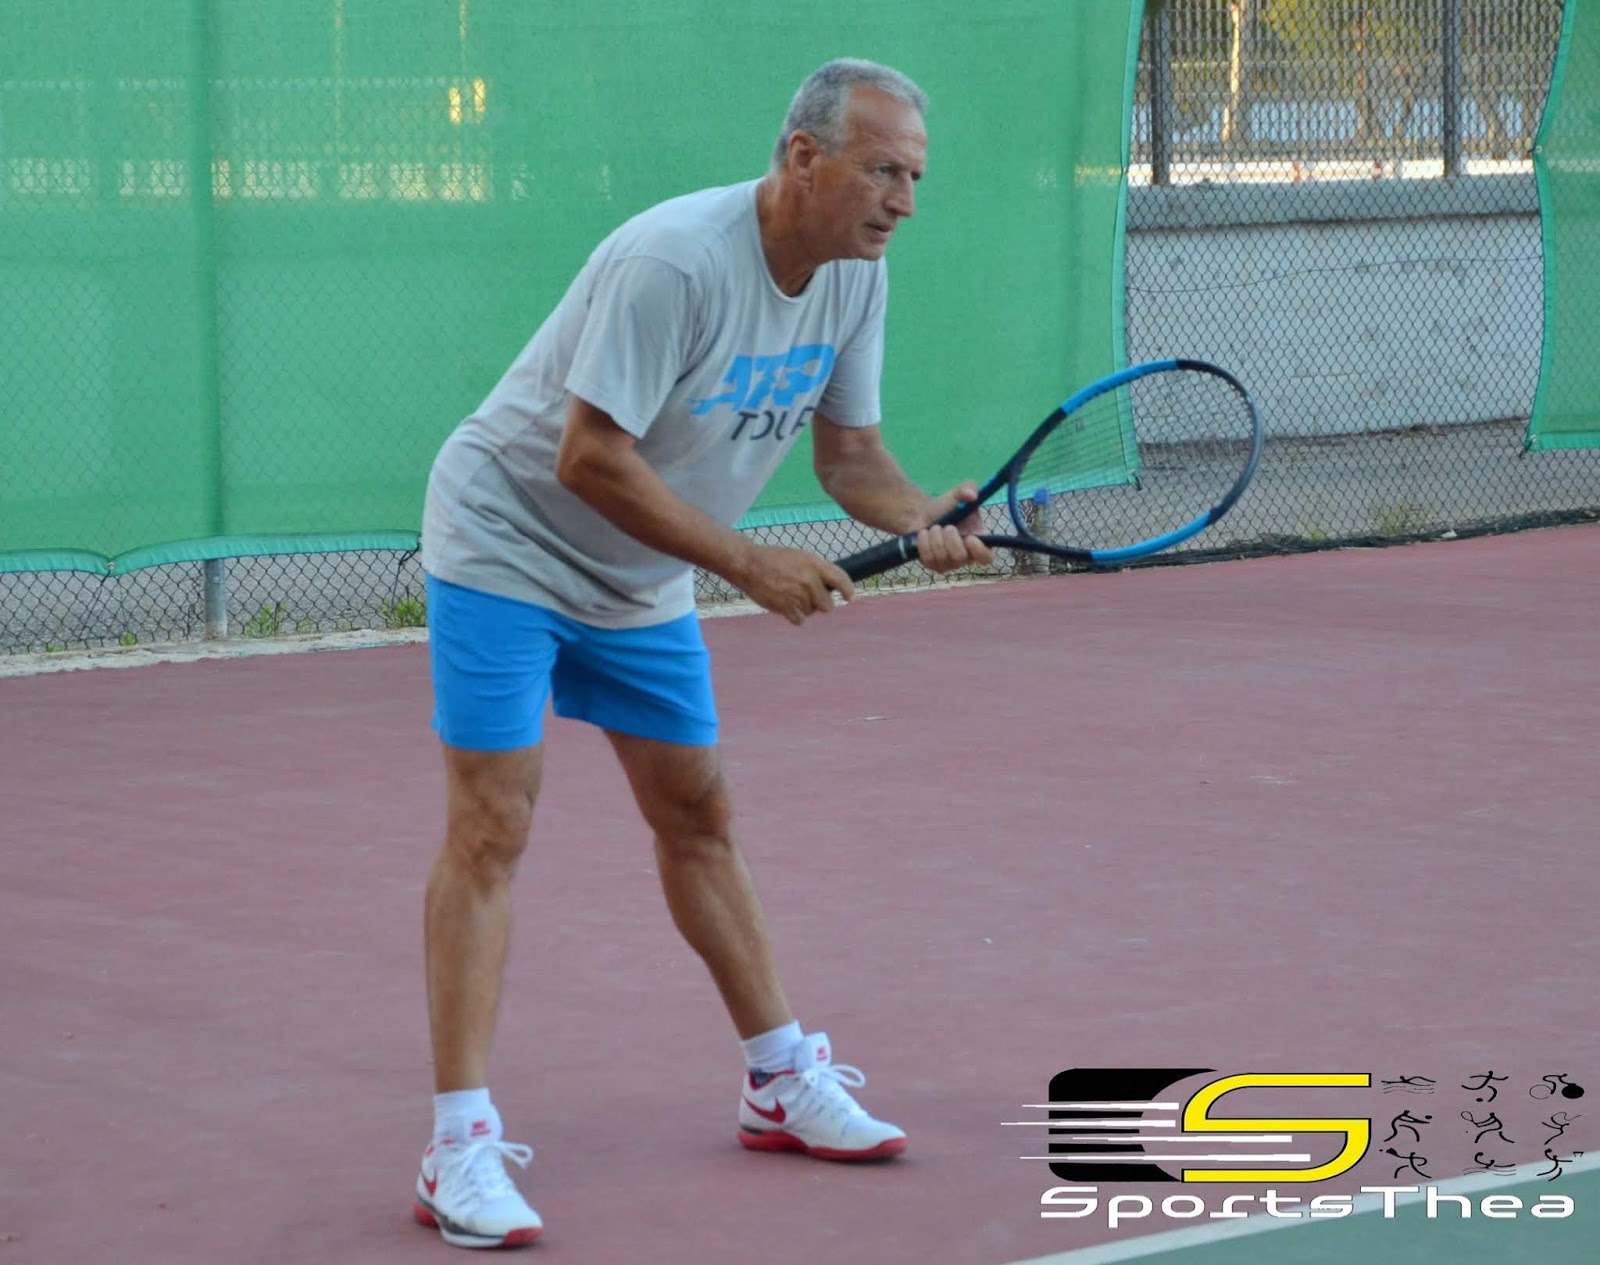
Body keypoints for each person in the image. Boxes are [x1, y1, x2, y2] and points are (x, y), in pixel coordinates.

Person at [412, 57, 994, 1249]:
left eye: (915, 178)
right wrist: (746, 562)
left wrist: (923, 513)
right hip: (505, 541)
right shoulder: (673, 261)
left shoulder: (856, 277)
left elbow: (849, 458)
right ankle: (456, 1145)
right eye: (883, 171)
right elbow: (587, 456)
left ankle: (778, 1079)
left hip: (636, 572)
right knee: (493, 823)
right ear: (803, 158)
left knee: (697, 811)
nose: (903, 201)